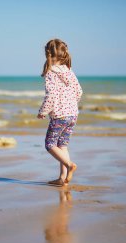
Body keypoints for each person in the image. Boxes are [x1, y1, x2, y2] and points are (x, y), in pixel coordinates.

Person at [37, 38, 83, 186]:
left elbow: (51, 95)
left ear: (48, 54)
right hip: (73, 114)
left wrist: (43, 112)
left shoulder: (51, 72)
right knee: (62, 145)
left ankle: (70, 165)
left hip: (59, 115)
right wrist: (71, 105)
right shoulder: (69, 70)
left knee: (50, 145)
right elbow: (79, 91)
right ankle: (62, 178)